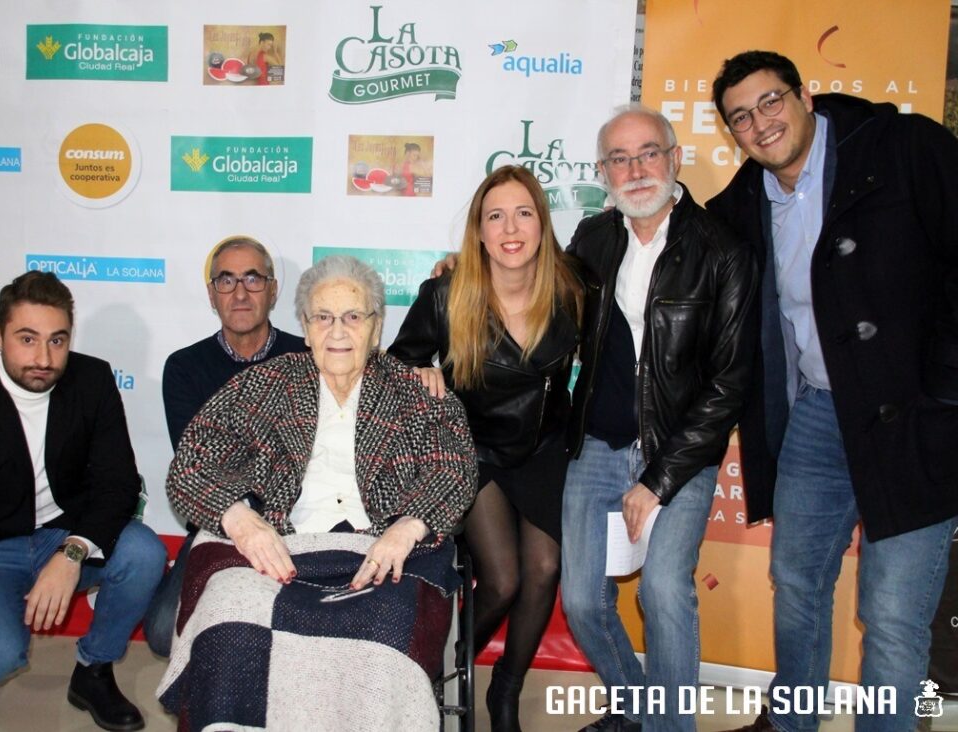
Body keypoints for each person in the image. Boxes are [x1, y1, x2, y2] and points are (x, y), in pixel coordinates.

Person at [707, 50, 958, 732]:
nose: (760, 124)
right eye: (740, 117)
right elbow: (666, 258)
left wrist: (945, 394)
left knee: (893, 613)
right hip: (818, 417)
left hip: (915, 420)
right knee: (796, 583)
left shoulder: (905, 148)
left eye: (770, 102)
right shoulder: (742, 206)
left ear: (804, 96)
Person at [158, 255, 477, 731]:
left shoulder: (415, 393)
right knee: (229, 619)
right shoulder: (266, 384)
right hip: (284, 547)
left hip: (380, 551)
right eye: (322, 317)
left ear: (376, 327)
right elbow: (191, 463)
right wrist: (242, 521)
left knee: (384, 631)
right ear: (305, 329)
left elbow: (455, 468)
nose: (338, 331)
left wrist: (408, 528)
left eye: (353, 316)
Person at [561, 105, 756, 732]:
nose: (635, 168)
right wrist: (461, 276)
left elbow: (730, 383)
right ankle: (640, 709)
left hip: (680, 451)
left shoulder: (722, 249)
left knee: (663, 591)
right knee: (582, 601)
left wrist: (658, 480)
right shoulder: (591, 240)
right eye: (619, 158)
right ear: (602, 171)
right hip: (596, 443)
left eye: (648, 153)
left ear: (674, 159)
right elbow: (532, 303)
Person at [390, 164, 584, 732]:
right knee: (501, 580)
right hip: (473, 449)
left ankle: (506, 690)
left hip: (545, 444)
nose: (510, 227)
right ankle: (444, 663)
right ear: (478, 232)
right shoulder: (447, 294)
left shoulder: (573, 288)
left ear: (543, 225)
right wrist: (423, 373)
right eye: (494, 216)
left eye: (523, 212)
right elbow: (397, 365)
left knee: (545, 568)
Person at [0, 271, 167, 732]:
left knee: (145, 552)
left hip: (66, 530)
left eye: (57, 340)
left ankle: (93, 670)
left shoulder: (92, 380)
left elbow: (118, 484)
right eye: (27, 339)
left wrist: (73, 551)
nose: (44, 358)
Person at [141, 235, 307, 657]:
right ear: (211, 295)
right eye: (226, 281)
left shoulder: (308, 356)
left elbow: (309, 457)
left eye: (252, 279)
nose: (239, 292)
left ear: (273, 289)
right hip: (220, 521)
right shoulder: (184, 367)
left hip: (298, 520)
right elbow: (197, 465)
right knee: (162, 632)